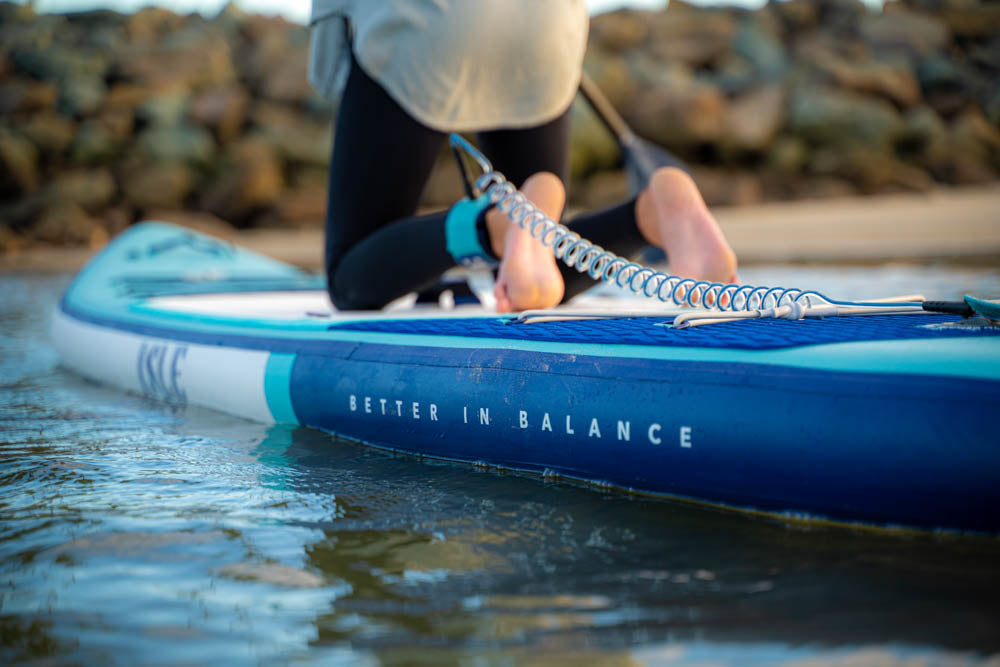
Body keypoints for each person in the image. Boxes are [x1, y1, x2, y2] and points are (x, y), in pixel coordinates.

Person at [308, 0, 738, 313]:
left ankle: (494, 226)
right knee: (531, 268)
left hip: (429, 22)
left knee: (350, 278)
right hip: (548, 25)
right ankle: (650, 215)